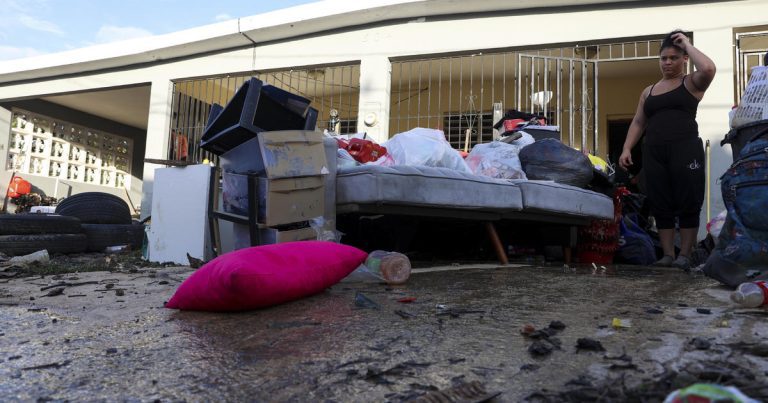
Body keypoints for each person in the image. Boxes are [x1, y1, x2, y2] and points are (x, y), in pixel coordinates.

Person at [618, 30, 716, 270]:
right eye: (664, 58)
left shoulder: (691, 82)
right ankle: (668, 254)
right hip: (654, 151)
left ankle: (684, 254)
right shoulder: (648, 91)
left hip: (685, 149)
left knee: (688, 200)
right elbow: (639, 121)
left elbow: (709, 68)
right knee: (660, 201)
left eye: (674, 57)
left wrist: (687, 44)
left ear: (684, 59)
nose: (668, 62)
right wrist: (626, 148)